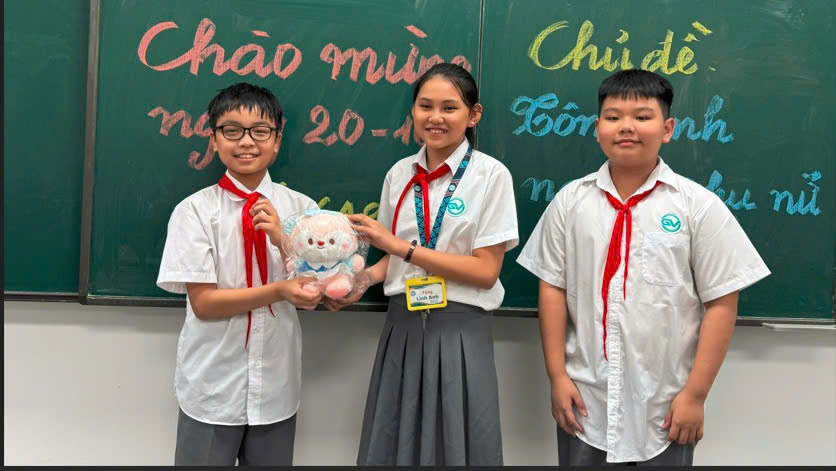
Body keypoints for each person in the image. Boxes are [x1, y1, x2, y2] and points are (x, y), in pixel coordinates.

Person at [516, 69, 771, 466]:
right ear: (597, 128)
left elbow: (722, 301)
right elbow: (552, 288)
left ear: (667, 128)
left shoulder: (697, 207)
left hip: (666, 404)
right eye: (613, 116)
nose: (626, 127)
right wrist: (557, 376)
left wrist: (696, 394)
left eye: (642, 116)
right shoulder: (570, 202)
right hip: (585, 398)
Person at [325, 63, 519, 465]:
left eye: (450, 108)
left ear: (474, 115)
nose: (435, 117)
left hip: (461, 328)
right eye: (425, 106)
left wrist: (402, 248)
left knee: (460, 447)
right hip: (402, 325)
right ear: (412, 111)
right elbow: (391, 259)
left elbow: (486, 272)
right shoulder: (399, 174)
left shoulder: (490, 176)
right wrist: (362, 280)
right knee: (395, 444)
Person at [157, 82, 322, 466]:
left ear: (277, 141)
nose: (246, 141)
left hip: (276, 383)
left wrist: (282, 238)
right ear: (214, 140)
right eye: (232, 130)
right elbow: (204, 304)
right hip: (212, 385)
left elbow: (316, 290)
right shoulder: (194, 211)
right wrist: (279, 290)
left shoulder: (303, 209)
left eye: (260, 131)